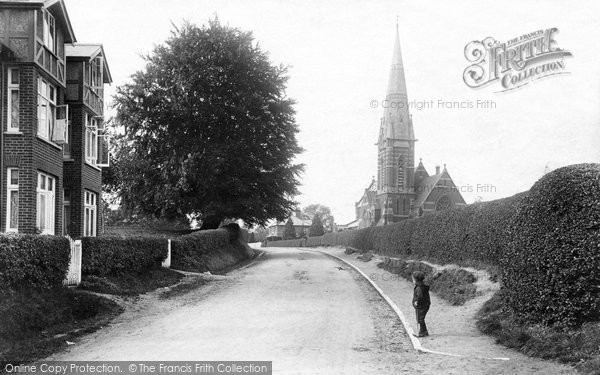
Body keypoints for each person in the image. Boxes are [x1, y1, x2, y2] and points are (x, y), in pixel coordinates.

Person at [412, 271, 431, 337]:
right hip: (425, 304)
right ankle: (424, 331)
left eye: (413, 279)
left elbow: (420, 297)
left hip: (422, 306)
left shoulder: (419, 288)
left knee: (420, 319)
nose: (413, 281)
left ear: (416, 280)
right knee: (420, 318)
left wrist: (417, 302)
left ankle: (422, 332)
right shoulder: (422, 286)